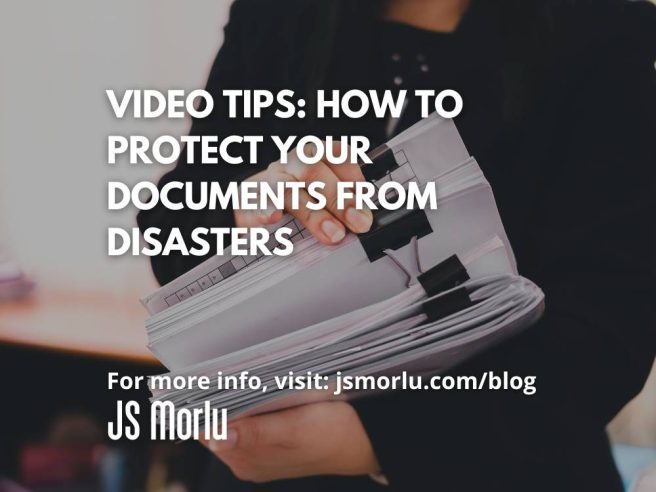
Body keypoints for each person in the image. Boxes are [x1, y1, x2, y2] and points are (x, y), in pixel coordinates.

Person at [137, 0, 656, 490]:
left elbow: (610, 329)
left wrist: (370, 443)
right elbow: (171, 230)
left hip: (511, 465)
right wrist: (247, 206)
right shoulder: (277, 12)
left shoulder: (603, 32)